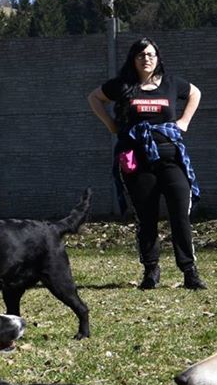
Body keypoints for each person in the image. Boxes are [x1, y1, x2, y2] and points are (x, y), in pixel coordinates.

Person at [87, 39, 205, 290]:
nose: (146, 59)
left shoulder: (172, 83)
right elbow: (94, 98)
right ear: (133, 59)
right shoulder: (123, 86)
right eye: (141, 55)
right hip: (137, 161)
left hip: (170, 158)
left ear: (158, 58)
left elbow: (195, 93)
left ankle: (189, 271)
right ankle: (151, 270)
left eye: (151, 54)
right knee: (146, 216)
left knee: (180, 213)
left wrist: (184, 121)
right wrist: (112, 126)